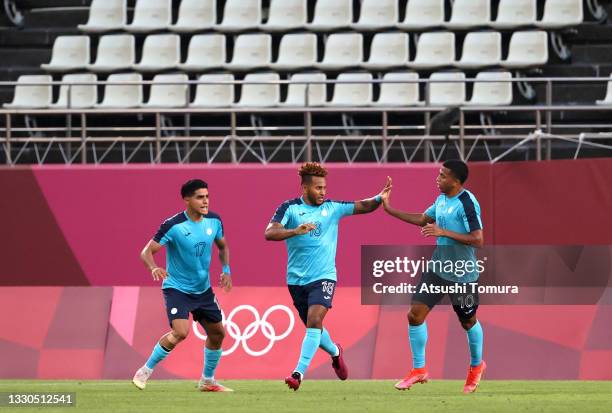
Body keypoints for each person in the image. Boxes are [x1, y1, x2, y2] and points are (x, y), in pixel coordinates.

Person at [265, 162, 391, 391]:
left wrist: (379, 197)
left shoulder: (332, 208)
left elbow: (362, 206)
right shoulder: (289, 208)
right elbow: (270, 233)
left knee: (314, 321)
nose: (323, 192)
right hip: (296, 281)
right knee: (316, 329)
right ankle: (335, 351)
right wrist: (294, 231)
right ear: (304, 188)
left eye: (324, 187)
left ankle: (298, 374)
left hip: (324, 277)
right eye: (318, 188)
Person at [382, 160, 486, 394]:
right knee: (414, 315)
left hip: (462, 275)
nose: (437, 179)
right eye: (439, 174)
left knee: (468, 322)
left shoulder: (467, 203)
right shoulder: (441, 200)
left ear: (456, 181)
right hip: (438, 270)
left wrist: (443, 232)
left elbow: (478, 240)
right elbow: (422, 219)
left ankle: (476, 366)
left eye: (443, 176)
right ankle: (419, 369)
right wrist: (389, 208)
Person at [132, 179, 233, 392]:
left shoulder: (214, 221)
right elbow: (146, 252)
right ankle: (144, 371)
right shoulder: (173, 225)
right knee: (180, 332)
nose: (205, 201)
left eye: (207, 196)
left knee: (217, 334)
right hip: (177, 288)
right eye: (199, 197)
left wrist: (226, 270)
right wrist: (153, 267)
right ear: (187, 199)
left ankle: (207, 381)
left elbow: (222, 246)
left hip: (203, 290)